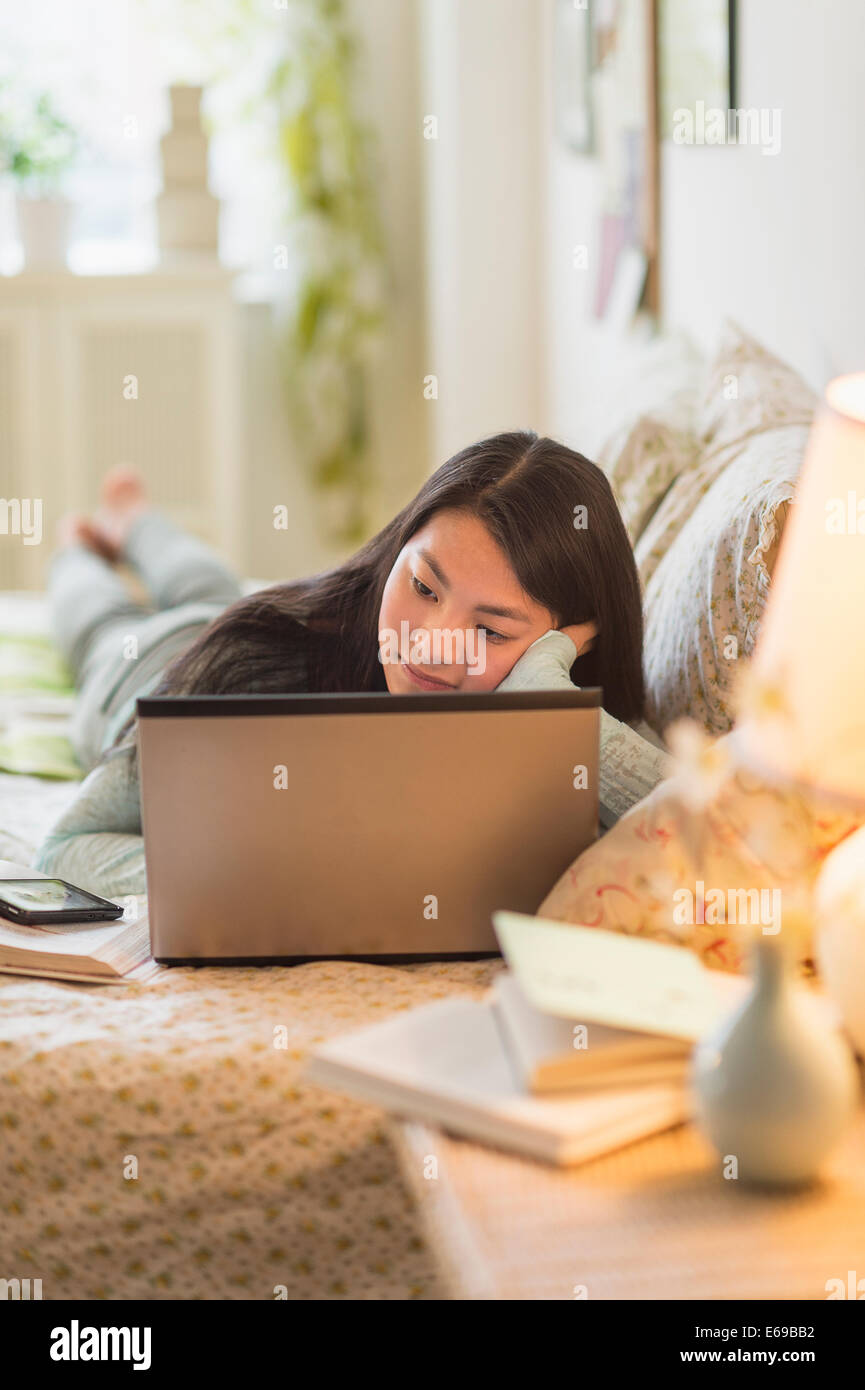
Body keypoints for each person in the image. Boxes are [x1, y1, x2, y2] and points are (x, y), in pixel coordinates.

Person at [34, 432, 670, 897]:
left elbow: (706, 831)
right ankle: (106, 530)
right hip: (155, 666)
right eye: (423, 587)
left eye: (488, 629)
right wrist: (270, 873)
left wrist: (554, 703)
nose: (427, 645)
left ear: (571, 643)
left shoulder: (566, 699)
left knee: (207, 582)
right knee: (103, 615)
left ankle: (131, 517)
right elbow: (64, 848)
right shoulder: (253, 666)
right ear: (397, 550)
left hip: (244, 616)